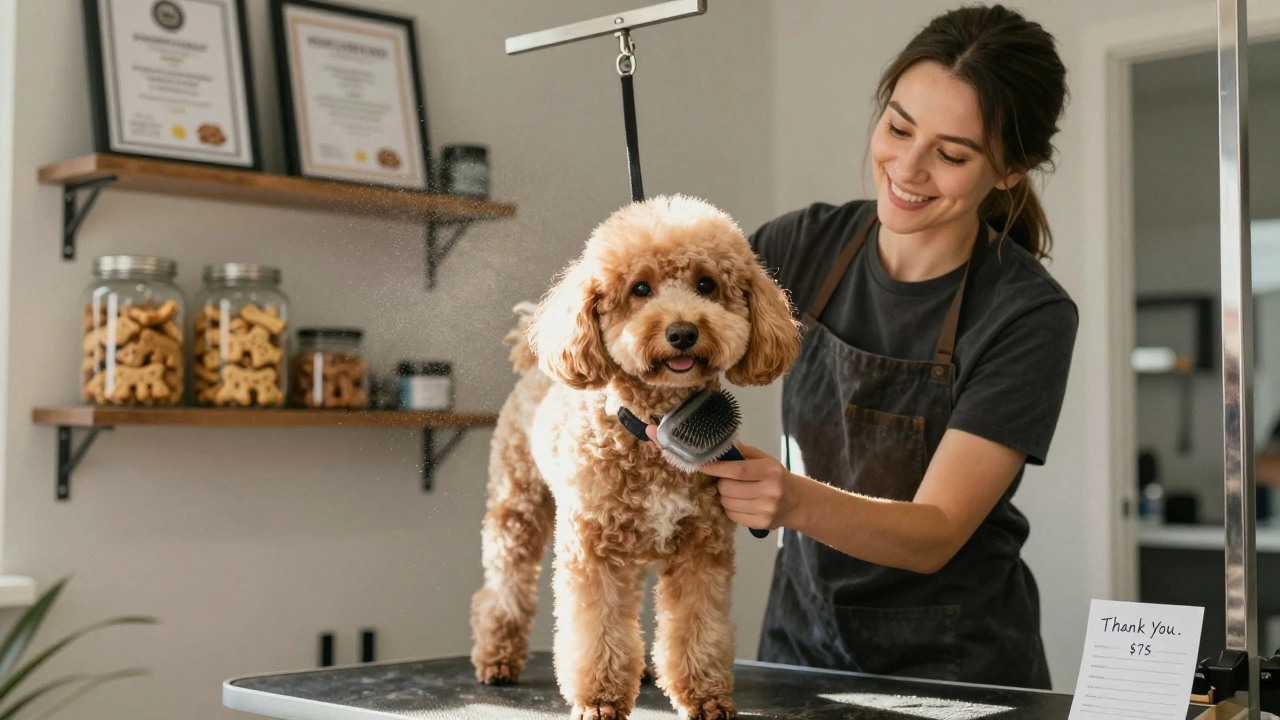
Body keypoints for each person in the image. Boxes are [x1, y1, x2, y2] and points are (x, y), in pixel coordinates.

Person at [695, 4, 1077, 690]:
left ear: (1012, 170)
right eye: (898, 127)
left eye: (952, 154)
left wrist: (788, 500)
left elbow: (934, 533)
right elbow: (677, 342)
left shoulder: (1027, 315)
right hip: (798, 648)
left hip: (955, 669)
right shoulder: (795, 248)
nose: (907, 166)